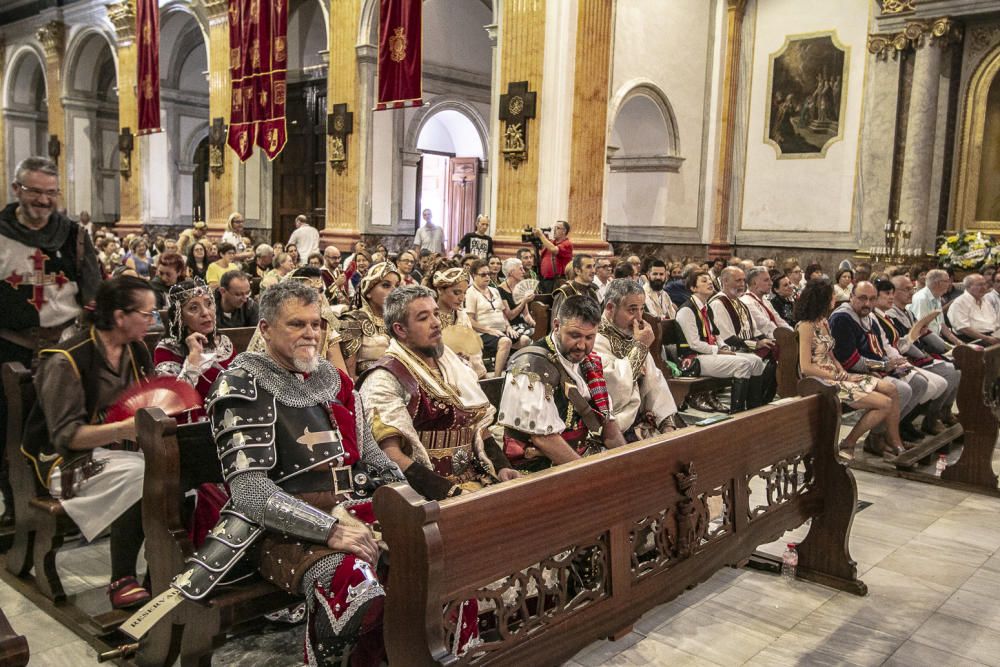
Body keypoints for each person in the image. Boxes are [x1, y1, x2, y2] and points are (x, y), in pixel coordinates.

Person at [164, 280, 404, 664]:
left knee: (436, 552)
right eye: (296, 324)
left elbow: (372, 456)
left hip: (351, 505)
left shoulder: (332, 378)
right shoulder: (241, 385)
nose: (311, 333)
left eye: (316, 323)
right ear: (265, 329)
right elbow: (252, 493)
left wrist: (406, 498)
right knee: (353, 585)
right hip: (277, 529)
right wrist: (331, 530)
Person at [24, 277, 155, 608]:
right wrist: (122, 431)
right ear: (120, 316)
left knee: (174, 473)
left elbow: (148, 401)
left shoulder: (137, 350)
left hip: (118, 454)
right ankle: (122, 577)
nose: (152, 321)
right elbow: (66, 436)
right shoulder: (65, 360)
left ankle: (160, 570)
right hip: (61, 463)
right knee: (142, 476)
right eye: (147, 313)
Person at [0, 156, 102, 526]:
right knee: (6, 430)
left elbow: (94, 293)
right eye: (34, 191)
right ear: (17, 190)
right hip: (8, 347)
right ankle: (14, 502)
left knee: (62, 430)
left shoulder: (73, 235)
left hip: (64, 348)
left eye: (50, 193)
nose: (43, 200)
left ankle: (65, 502)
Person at [358, 285, 518, 501]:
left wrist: (501, 466)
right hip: (427, 496)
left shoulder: (455, 366)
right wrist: (448, 493)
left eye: (435, 313)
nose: (436, 322)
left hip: (477, 483)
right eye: (423, 318)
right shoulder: (384, 378)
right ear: (400, 329)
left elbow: (477, 425)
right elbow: (389, 455)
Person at [498, 295, 627, 471]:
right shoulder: (530, 366)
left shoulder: (590, 362)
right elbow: (543, 439)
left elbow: (607, 422)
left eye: (590, 337)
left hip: (580, 458)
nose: (582, 345)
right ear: (557, 325)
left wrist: (628, 461)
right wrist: (591, 474)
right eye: (575, 335)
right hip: (537, 468)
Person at [794, 278, 904, 460]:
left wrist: (841, 369)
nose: (835, 300)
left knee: (891, 389)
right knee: (884, 403)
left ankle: (894, 440)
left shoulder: (823, 322)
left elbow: (830, 353)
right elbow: (806, 367)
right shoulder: (806, 326)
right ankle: (850, 441)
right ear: (822, 299)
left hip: (836, 374)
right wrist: (838, 376)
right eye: (832, 297)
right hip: (821, 380)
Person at [829, 281, 937, 446]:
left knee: (918, 383)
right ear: (851, 297)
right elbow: (848, 360)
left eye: (872, 299)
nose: (868, 304)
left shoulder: (869, 316)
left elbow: (880, 348)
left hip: (874, 367)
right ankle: (876, 437)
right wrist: (882, 366)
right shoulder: (842, 318)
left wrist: (891, 363)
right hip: (851, 373)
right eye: (862, 298)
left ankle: (887, 433)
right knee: (902, 391)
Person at [595, 279, 684, 440]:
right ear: (610, 308)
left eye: (642, 309)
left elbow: (655, 380)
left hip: (642, 421)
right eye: (632, 310)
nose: (639, 318)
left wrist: (666, 423)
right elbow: (616, 387)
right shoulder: (594, 338)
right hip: (613, 429)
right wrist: (641, 347)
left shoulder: (630, 335)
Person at [874, 279, 959, 435]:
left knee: (943, 378)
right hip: (888, 362)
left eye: (892, 293)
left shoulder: (888, 316)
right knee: (925, 383)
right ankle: (889, 430)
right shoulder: (880, 316)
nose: (891, 297)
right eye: (887, 293)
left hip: (899, 357)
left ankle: (907, 422)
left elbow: (896, 343)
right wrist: (907, 356)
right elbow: (886, 347)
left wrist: (949, 347)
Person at [675, 270, 766, 413]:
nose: (710, 283)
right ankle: (738, 411)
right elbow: (694, 344)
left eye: (710, 280)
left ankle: (754, 409)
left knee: (756, 361)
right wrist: (718, 350)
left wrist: (724, 347)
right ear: (693, 288)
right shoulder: (687, 310)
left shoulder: (706, 308)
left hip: (710, 353)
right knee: (742, 364)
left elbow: (716, 335)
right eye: (704, 281)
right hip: (693, 359)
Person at [154, 278, 237, 423]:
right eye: (193, 308)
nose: (206, 313)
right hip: (195, 429)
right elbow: (170, 403)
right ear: (181, 317)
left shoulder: (223, 343)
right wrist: (192, 360)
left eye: (209, 304)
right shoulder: (167, 349)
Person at [708, 267, 776, 409]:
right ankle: (746, 408)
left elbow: (755, 331)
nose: (742, 284)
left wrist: (767, 341)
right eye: (738, 280)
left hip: (746, 347)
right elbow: (727, 338)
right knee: (764, 362)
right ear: (725, 281)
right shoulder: (718, 303)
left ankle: (758, 406)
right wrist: (755, 345)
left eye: (743, 280)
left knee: (774, 352)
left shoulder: (740, 302)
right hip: (730, 350)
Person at [339, 261, 399, 376]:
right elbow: (348, 377)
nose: (394, 291)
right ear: (368, 291)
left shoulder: (398, 323)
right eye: (386, 285)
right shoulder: (352, 321)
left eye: (397, 285)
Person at [465, 259, 519, 376]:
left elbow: (502, 313)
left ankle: (514, 374)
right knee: (505, 342)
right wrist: (489, 330)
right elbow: (470, 320)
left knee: (524, 340)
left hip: (500, 331)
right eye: (483, 274)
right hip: (482, 334)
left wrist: (508, 327)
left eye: (488, 274)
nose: (487, 277)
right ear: (474, 275)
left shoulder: (494, 290)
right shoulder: (471, 293)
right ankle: (497, 377)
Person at [433, 267, 487, 377]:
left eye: (465, 293)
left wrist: (481, 375)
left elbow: (474, 352)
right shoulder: (429, 317)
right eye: (457, 292)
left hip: (465, 373)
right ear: (440, 290)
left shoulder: (462, 316)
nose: (462, 298)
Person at [909, 268, 963, 350]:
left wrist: (958, 342)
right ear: (938, 283)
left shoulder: (937, 297)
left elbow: (942, 325)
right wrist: (946, 347)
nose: (950, 284)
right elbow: (921, 329)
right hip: (925, 343)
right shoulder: (921, 298)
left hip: (937, 340)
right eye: (947, 281)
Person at [946, 273, 1000, 345]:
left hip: (991, 336)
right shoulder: (959, 303)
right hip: (973, 340)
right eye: (980, 285)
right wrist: (986, 338)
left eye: (985, 284)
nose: (984, 287)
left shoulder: (985, 300)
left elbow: (995, 323)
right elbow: (963, 328)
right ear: (968, 287)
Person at [741, 266, 792, 338]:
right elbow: (766, 326)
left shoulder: (765, 300)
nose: (771, 283)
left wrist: (793, 334)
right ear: (754, 283)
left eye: (770, 280)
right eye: (766, 280)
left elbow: (779, 321)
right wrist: (788, 337)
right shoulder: (747, 302)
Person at [497, 257, 536, 341]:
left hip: (522, 324)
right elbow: (510, 316)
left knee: (541, 331)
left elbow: (526, 315)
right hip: (509, 326)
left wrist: (534, 323)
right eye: (520, 269)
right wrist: (524, 301)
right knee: (529, 337)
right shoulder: (500, 290)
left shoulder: (520, 287)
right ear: (511, 272)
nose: (524, 272)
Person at [534, 221, 573, 294]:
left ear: (564, 231)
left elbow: (554, 250)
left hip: (557, 281)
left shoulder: (567, 244)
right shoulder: (551, 242)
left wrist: (541, 235)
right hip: (545, 280)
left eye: (557, 228)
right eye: (554, 228)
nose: (554, 230)